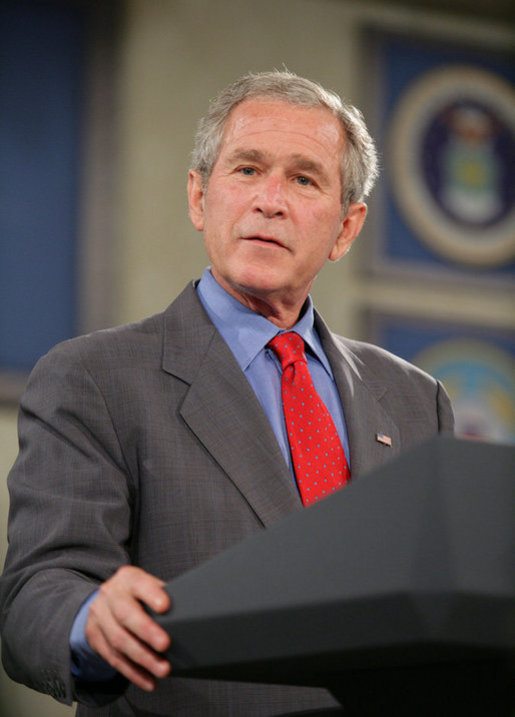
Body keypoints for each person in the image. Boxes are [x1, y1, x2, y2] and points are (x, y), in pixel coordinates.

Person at [0, 70, 454, 716]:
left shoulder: (415, 397)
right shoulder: (93, 377)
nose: (270, 200)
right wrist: (89, 618)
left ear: (346, 227)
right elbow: (34, 594)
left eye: (303, 179)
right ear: (198, 197)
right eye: (246, 169)